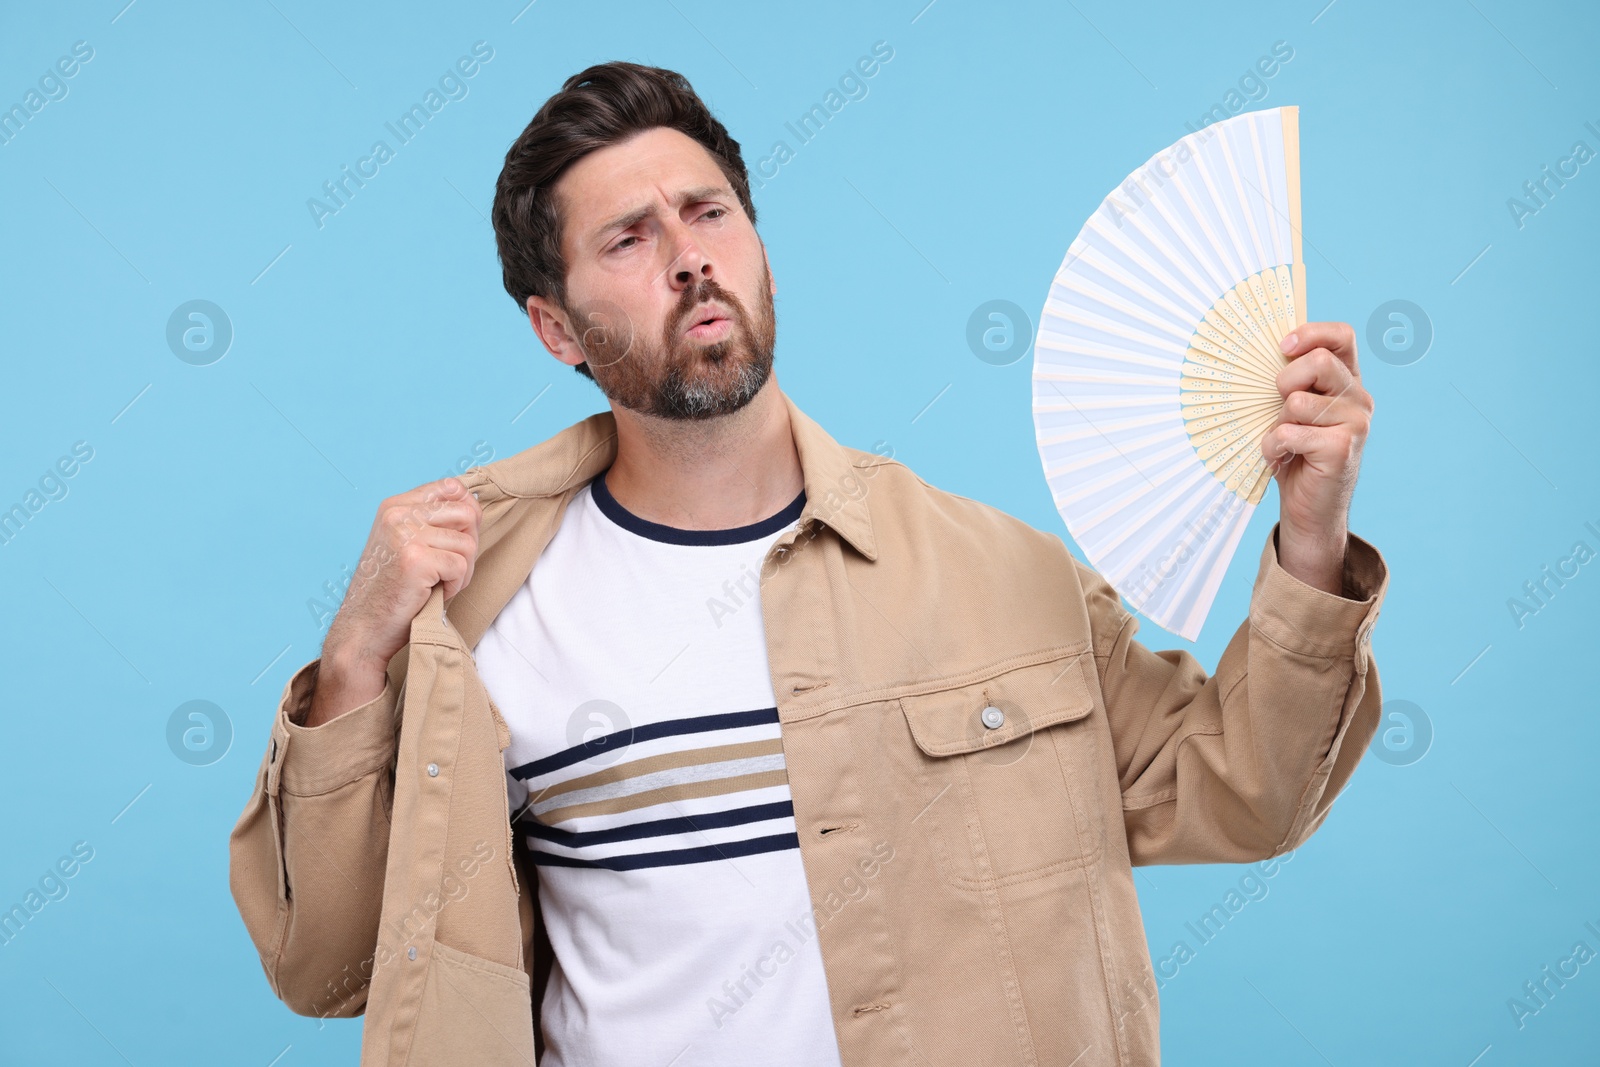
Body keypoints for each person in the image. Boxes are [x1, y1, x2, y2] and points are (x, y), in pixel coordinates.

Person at [230, 61, 1388, 1067]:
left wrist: (1309, 537)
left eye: (709, 213)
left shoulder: (1000, 575)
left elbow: (1252, 792)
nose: (688, 258)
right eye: (629, 239)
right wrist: (352, 666)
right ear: (556, 328)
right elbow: (323, 966)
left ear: (758, 244)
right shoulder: (483, 614)